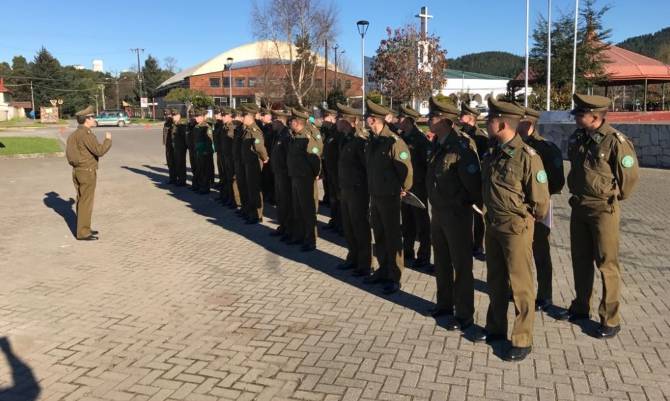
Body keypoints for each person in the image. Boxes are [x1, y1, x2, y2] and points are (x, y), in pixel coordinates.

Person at [558, 94, 640, 339]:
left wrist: (614, 197)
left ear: (595, 116)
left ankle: (610, 318)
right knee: (580, 259)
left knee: (607, 264)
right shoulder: (578, 137)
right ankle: (581, 306)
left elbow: (630, 177)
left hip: (603, 210)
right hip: (579, 206)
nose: (575, 118)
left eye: (580, 114)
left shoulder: (615, 141)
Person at [482, 98, 549, 361]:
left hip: (516, 228)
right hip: (493, 224)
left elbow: (541, 201)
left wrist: (525, 220)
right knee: (495, 280)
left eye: (489, 120)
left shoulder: (528, 157)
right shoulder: (493, 152)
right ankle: (495, 328)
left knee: (521, 285)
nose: (486, 124)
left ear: (501, 123)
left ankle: (522, 338)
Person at [424, 97, 483, 339]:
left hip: (457, 214)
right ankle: (444, 304)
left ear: (447, 121)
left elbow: (473, 185)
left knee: (461, 265)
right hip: (438, 212)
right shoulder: (439, 143)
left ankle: (464, 314)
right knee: (442, 261)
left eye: (433, 116)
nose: (429, 119)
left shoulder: (462, 146)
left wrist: (463, 204)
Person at [518, 107, 565, 312]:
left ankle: (544, 294)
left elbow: (556, 181)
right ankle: (517, 289)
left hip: (538, 207)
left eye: (518, 120)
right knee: (518, 252)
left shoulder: (546, 148)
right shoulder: (512, 145)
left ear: (529, 123)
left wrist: (539, 199)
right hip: (516, 209)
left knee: (540, 252)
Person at [363, 99, 413, 295]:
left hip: (390, 196)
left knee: (393, 237)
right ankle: (383, 270)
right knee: (380, 235)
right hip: (375, 195)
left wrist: (404, 188)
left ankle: (395, 276)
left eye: (368, 117)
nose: (365, 119)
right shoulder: (373, 140)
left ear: (374, 119)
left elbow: (406, 170)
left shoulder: (394, 141)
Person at [65, 105, 112, 241]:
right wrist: (108, 140)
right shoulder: (86, 134)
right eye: (92, 117)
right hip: (87, 171)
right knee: (86, 201)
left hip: (77, 170)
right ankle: (83, 232)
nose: (94, 119)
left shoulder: (74, 135)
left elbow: (70, 155)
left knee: (81, 200)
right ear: (86, 119)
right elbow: (99, 151)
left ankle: (84, 227)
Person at [336, 102, 372, 277]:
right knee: (349, 226)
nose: (336, 122)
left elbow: (367, 167)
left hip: (358, 191)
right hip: (346, 189)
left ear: (348, 122)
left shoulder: (360, 140)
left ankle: (365, 263)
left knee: (359, 226)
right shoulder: (346, 139)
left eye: (339, 119)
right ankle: (353, 257)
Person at [398, 104, 431, 270]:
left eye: (401, 118)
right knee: (407, 221)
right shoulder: (401, 137)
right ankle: (408, 250)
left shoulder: (421, 140)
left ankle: (424, 255)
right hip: (404, 187)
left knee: (422, 223)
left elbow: (427, 165)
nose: (398, 120)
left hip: (418, 186)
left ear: (409, 121)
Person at [287, 107, 323, 252]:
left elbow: (315, 160)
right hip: (295, 177)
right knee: (298, 209)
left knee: (307, 210)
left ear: (296, 122)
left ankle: (310, 240)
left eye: (291, 121)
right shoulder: (295, 136)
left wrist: (314, 174)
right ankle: (299, 235)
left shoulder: (306, 138)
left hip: (305, 178)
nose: (289, 123)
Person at [459, 103, 490, 260]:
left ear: (471, 118)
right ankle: (468, 241)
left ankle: (479, 244)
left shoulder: (480, 136)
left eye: (463, 115)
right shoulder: (461, 133)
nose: (460, 117)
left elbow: (484, 159)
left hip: (477, 180)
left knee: (478, 215)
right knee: (465, 214)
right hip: (464, 180)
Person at [241, 104, 269, 224]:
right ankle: (251, 212)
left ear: (250, 117)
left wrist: (264, 158)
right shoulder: (247, 130)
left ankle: (257, 215)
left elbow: (260, 147)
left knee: (254, 189)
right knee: (250, 189)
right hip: (248, 163)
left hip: (254, 164)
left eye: (244, 116)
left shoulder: (254, 130)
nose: (242, 118)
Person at [270, 110, 293, 239]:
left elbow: (288, 156)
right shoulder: (278, 135)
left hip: (284, 174)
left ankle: (289, 229)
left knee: (286, 202)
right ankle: (282, 226)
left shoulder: (286, 135)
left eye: (274, 120)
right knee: (280, 201)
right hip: (278, 173)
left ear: (280, 121)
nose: (272, 123)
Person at [321, 107, 342, 234]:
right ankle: (334, 221)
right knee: (333, 199)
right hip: (331, 172)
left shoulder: (341, 135)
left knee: (340, 200)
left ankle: (341, 224)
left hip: (339, 172)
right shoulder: (333, 132)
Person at [193, 109, 214, 194]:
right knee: (200, 169)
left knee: (205, 170)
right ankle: (200, 186)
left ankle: (205, 188)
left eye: (198, 116)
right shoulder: (197, 126)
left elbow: (209, 140)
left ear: (202, 117)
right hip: (199, 151)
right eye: (196, 116)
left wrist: (207, 151)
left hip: (205, 152)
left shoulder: (206, 126)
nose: (196, 118)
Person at [170, 109, 188, 186]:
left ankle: (182, 180)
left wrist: (184, 147)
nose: (173, 117)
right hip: (175, 147)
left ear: (179, 116)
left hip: (181, 147)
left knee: (181, 164)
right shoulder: (174, 124)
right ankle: (178, 179)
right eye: (173, 115)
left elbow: (184, 138)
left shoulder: (181, 125)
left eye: (175, 115)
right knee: (176, 163)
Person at [162, 109, 176, 184]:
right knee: (169, 162)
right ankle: (172, 178)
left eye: (167, 114)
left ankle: (177, 179)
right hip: (168, 146)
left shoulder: (173, 123)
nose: (166, 116)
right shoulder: (166, 123)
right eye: (165, 115)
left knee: (174, 162)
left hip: (173, 146)